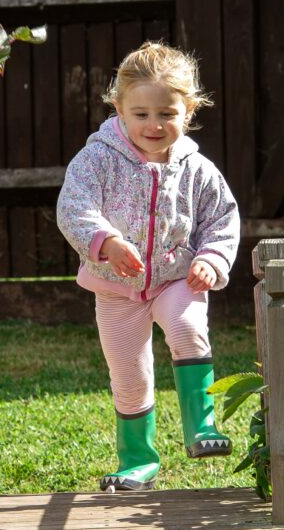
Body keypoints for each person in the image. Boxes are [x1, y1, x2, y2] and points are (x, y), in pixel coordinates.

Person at [57, 42, 240, 491]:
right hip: (117, 289)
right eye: (140, 114)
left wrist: (211, 260)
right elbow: (73, 208)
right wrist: (107, 242)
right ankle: (138, 460)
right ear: (118, 107)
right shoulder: (97, 159)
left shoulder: (197, 169)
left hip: (178, 278)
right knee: (130, 376)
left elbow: (222, 218)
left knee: (186, 328)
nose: (154, 125)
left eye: (167, 113)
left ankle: (202, 427)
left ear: (189, 109)